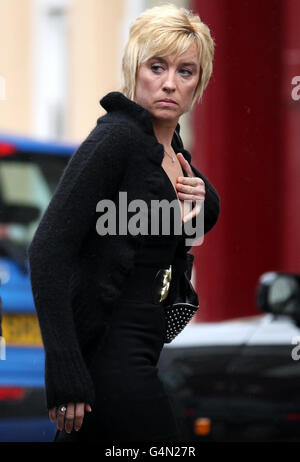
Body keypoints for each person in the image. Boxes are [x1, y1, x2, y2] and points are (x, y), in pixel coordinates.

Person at [27, 3, 220, 442]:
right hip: (111, 359)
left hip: (143, 351)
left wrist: (200, 199)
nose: (170, 82)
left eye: (186, 71)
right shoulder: (117, 138)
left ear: (199, 83)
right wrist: (65, 371)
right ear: (134, 69)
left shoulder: (174, 153)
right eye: (157, 66)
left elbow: (193, 221)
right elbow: (48, 249)